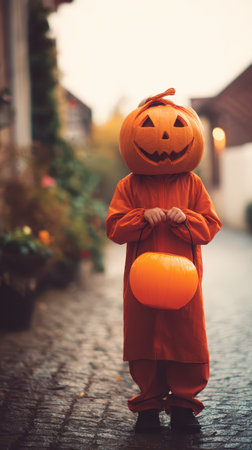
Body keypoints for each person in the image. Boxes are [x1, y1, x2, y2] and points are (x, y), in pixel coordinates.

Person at [106, 88, 222, 433]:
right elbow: (114, 226)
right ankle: (149, 406)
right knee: (145, 338)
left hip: (184, 279)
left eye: (174, 126)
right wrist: (142, 216)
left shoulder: (193, 183)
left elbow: (210, 225)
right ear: (133, 136)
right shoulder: (129, 185)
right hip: (141, 280)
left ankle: (184, 406)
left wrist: (186, 218)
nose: (165, 136)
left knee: (185, 337)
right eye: (151, 128)